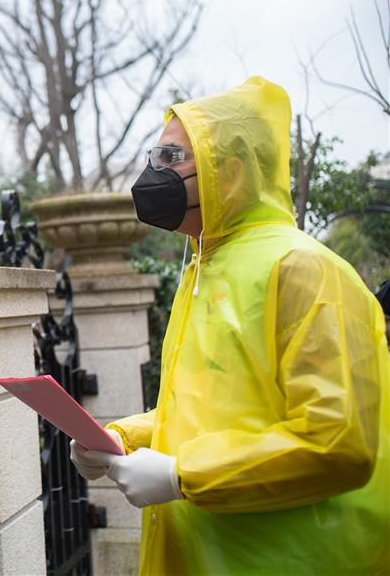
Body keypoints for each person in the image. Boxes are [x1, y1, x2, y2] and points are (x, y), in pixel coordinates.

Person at [71, 77, 389, 574]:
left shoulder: (303, 270)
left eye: (172, 160)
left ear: (231, 172)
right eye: (153, 158)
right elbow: (211, 413)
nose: (153, 174)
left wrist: (181, 475)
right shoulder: (203, 270)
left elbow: (337, 444)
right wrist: (122, 437)